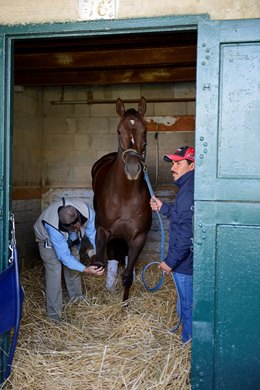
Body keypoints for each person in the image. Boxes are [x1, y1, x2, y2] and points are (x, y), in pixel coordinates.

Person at [150, 146, 195, 344]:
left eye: (179, 163)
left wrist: (169, 262)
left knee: (188, 308)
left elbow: (187, 236)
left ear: (192, 164)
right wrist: (164, 208)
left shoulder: (187, 192)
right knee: (184, 305)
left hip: (185, 264)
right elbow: (182, 218)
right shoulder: (187, 188)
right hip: (185, 263)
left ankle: (189, 346)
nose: (172, 168)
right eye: (173, 163)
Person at [33, 197, 104, 322]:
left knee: (74, 265)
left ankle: (77, 301)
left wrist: (99, 257)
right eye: (72, 228)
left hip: (73, 239)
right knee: (54, 271)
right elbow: (64, 256)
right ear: (65, 226)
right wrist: (86, 269)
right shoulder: (53, 227)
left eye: (77, 226)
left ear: (78, 216)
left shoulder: (87, 212)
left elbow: (93, 235)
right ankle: (54, 315)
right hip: (47, 240)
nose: (77, 228)